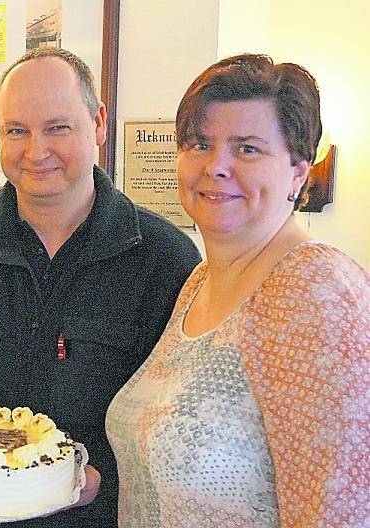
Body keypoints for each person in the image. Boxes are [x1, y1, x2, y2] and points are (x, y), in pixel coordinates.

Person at [0, 47, 200, 527]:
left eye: (57, 127)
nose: (36, 150)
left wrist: (103, 481)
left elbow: (178, 430)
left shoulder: (166, 261)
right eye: (17, 131)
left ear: (98, 123)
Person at [107, 54, 370, 527]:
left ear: (297, 171)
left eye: (247, 148)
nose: (216, 166)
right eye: (199, 143)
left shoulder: (316, 291)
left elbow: (341, 511)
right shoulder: (199, 282)